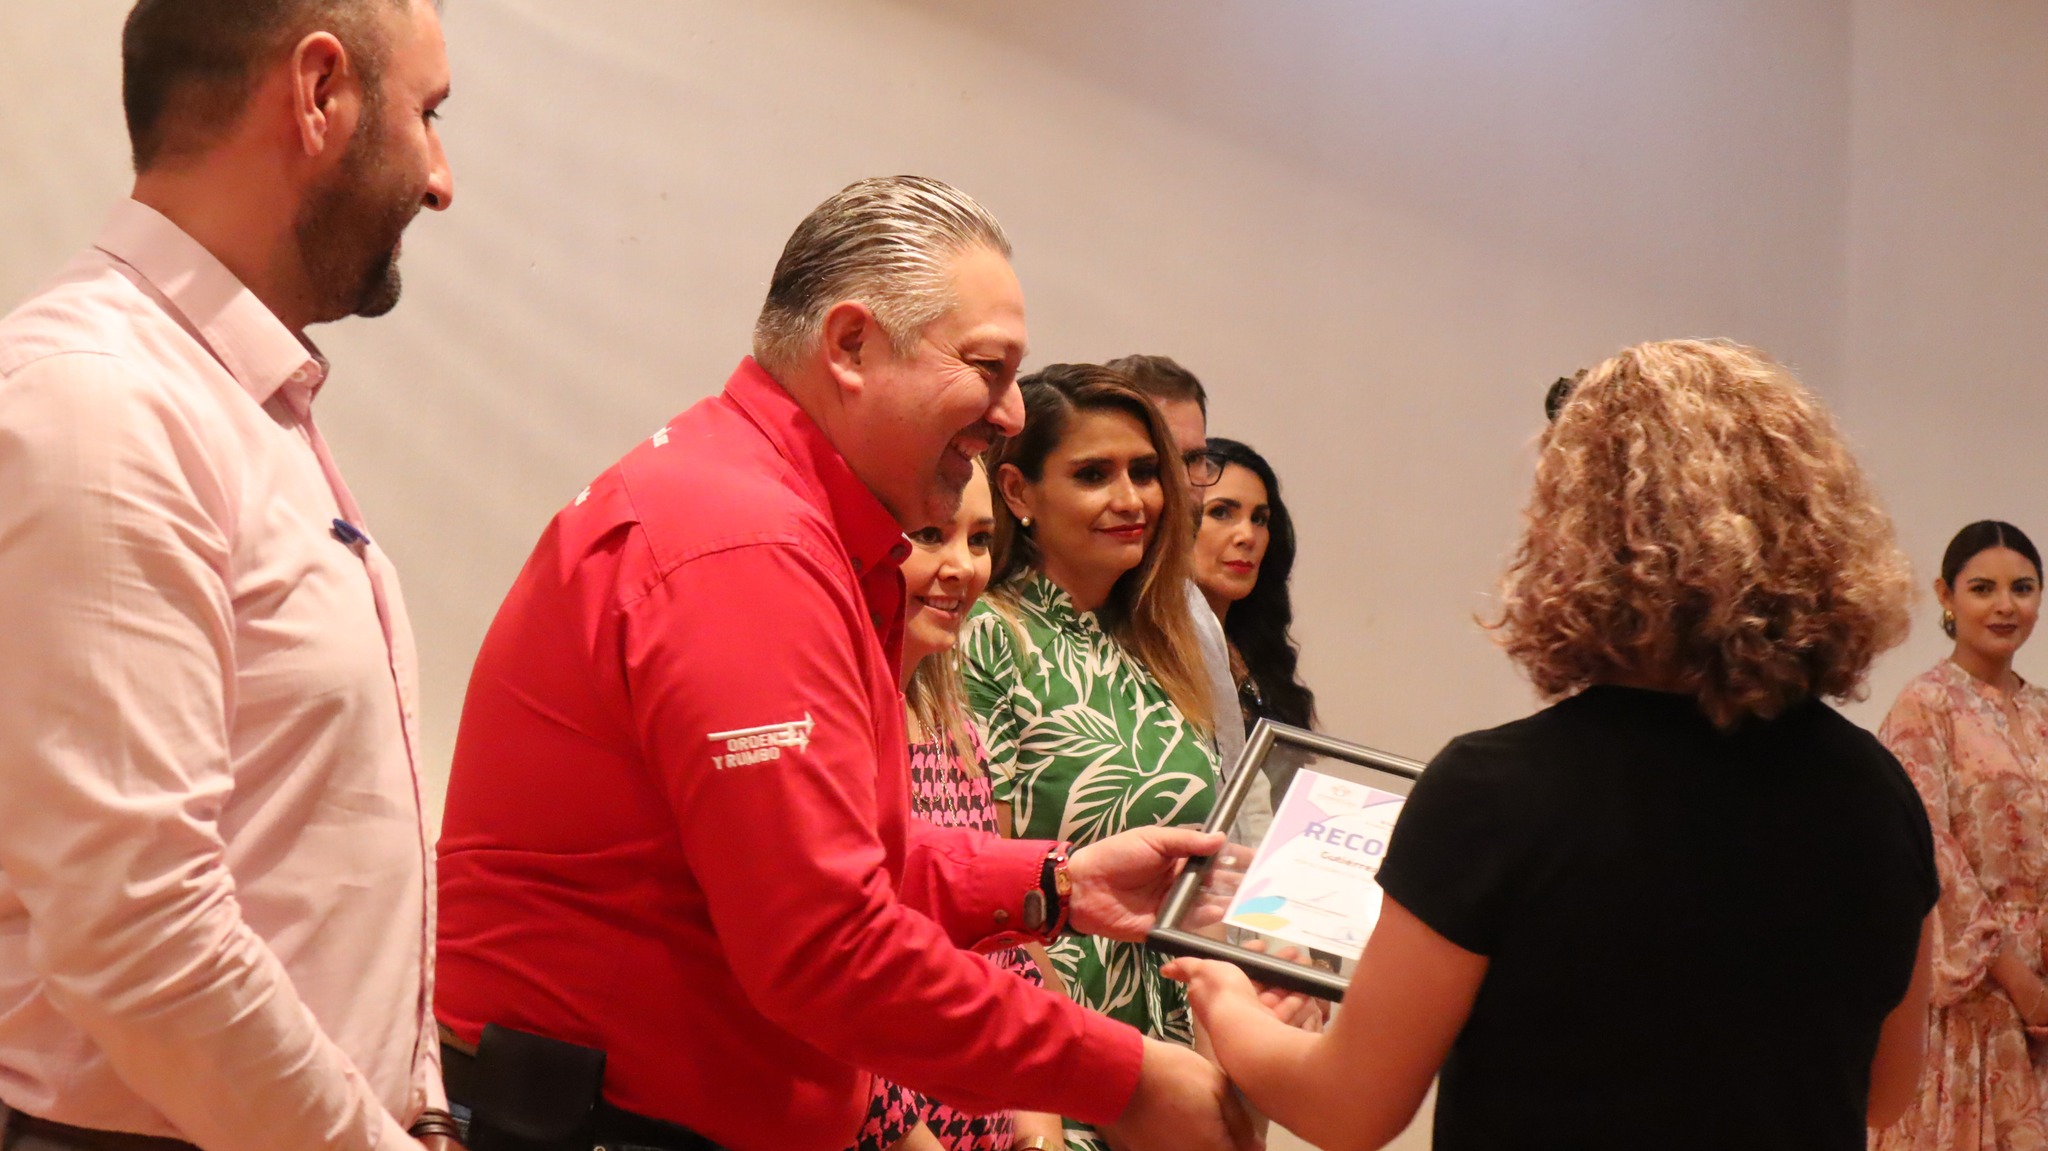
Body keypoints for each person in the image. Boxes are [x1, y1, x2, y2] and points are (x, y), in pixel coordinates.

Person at [434, 177, 1252, 1151]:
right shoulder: (745, 543)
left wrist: (1055, 881)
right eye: (987, 368)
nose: (1007, 413)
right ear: (851, 345)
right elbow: (824, 943)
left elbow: (830, 858)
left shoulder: (767, 513)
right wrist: (1123, 1079)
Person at [1166, 338, 1938, 1151]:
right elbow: (1888, 1090)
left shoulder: (1497, 793)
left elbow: (1349, 1106)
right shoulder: (1876, 792)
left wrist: (1226, 999)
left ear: (1576, 531)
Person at [0, 2, 458, 1151]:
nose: (440, 179)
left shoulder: (230, 394)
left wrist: (423, 1105)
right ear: (319, 93)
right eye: (428, 114)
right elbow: (139, 935)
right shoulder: (102, 403)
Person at [961, 362, 1223, 1151]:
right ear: (1017, 491)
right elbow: (984, 894)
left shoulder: (1155, 642)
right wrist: (1058, 1105)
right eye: (1093, 474)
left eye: (1145, 471)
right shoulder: (988, 636)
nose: (1132, 498)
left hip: (1171, 1060)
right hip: (1051, 1075)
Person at [847, 460, 1066, 1151]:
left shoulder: (958, 730)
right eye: (930, 536)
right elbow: (836, 984)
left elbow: (1003, 956)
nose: (963, 567)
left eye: (979, 540)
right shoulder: (836, 730)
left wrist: (1037, 1128)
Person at [1874, 521, 2048, 1151]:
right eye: (1983, 588)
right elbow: (1927, 851)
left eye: (2022, 588)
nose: (2005, 606)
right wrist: (2018, 981)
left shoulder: (2044, 711)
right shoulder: (1925, 707)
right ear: (1946, 595)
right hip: (1972, 994)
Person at [1189, 437, 1316, 737]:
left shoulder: (1258, 655)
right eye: (1221, 512)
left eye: (1259, 519)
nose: (1247, 535)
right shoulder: (1144, 656)